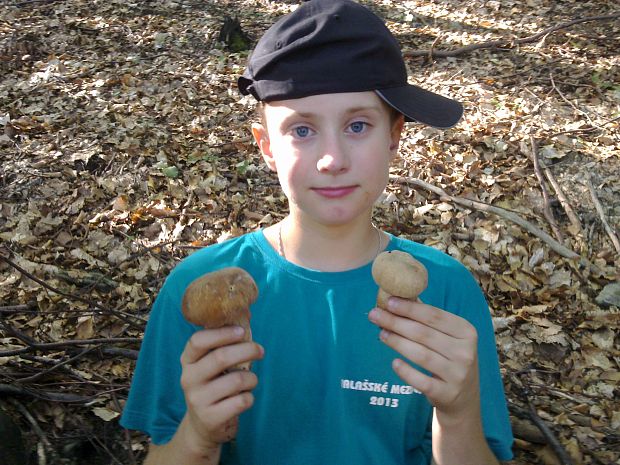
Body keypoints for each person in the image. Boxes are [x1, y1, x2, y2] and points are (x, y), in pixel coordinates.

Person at [119, 1, 514, 464]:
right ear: (266, 147)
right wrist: (198, 437)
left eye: (358, 125)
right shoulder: (198, 287)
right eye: (301, 130)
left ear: (394, 135)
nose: (333, 159)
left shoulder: (445, 290)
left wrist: (459, 414)